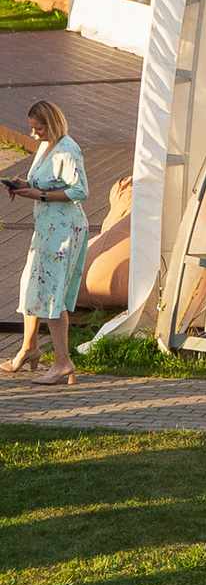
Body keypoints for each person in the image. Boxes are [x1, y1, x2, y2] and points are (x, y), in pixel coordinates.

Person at [3, 100, 89, 385]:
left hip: (64, 230)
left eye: (39, 128)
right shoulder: (46, 146)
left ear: (51, 124)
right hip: (47, 228)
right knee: (31, 284)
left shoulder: (67, 150)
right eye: (32, 128)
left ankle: (63, 362)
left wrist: (38, 196)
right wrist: (23, 185)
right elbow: (46, 182)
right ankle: (29, 348)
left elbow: (79, 191)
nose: (35, 134)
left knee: (53, 293)